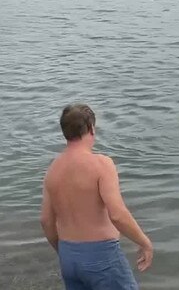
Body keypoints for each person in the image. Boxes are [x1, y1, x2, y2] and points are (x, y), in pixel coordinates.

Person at [40, 104, 153, 290]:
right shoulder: (101, 164)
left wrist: (64, 252)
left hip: (68, 256)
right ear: (91, 128)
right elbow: (117, 215)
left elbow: (46, 220)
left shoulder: (53, 170)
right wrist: (144, 242)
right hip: (102, 256)